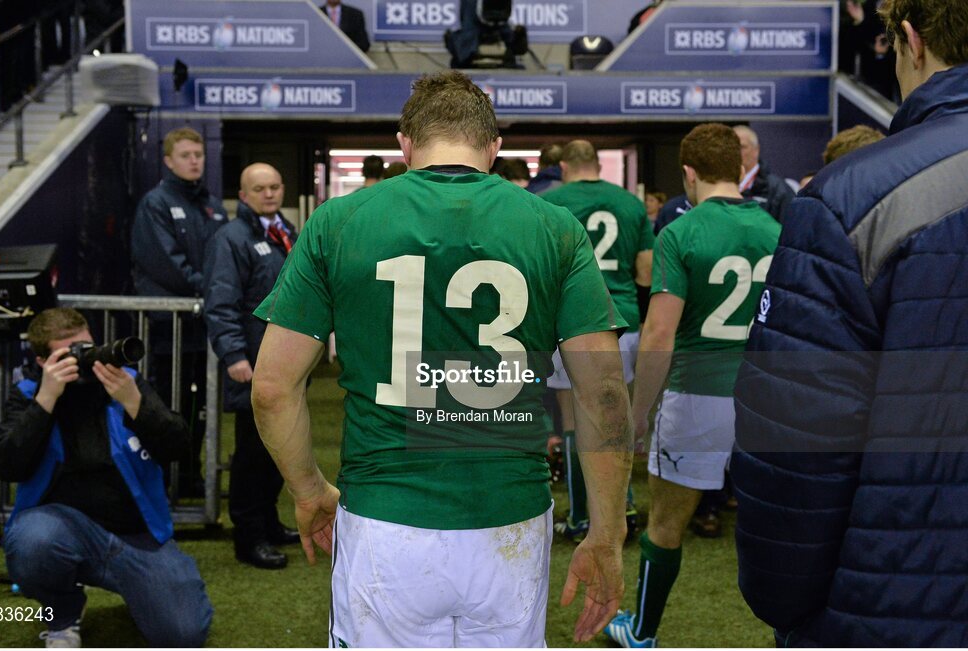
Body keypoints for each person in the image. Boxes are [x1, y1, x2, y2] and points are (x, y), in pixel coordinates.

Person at [251, 70, 633, 647]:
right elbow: (604, 394)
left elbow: (273, 389)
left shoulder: (339, 220)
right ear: (494, 148)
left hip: (387, 518)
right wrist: (607, 532)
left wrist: (307, 490)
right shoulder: (555, 227)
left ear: (405, 145)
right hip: (511, 517)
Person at [732, 0, 968, 644]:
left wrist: (783, 595)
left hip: (897, 598)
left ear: (911, 42)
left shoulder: (852, 199)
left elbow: (796, 437)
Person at [604, 123, 781, 648]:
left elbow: (658, 334)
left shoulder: (679, 231)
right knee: (777, 527)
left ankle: (643, 632)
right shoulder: (777, 227)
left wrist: (638, 413)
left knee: (665, 524)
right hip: (766, 398)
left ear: (688, 172)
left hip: (697, 394)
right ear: (738, 166)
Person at [0, 308, 212, 648]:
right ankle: (62, 617)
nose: (83, 360)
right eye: (69, 354)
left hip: (136, 535)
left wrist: (135, 402)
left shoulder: (123, 382)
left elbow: (178, 447)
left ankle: (149, 587)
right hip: (61, 531)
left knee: (183, 635)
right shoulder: (28, 393)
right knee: (31, 542)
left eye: (87, 348)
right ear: (41, 361)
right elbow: (7, 466)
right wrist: (46, 398)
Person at [542, 139, 653, 541]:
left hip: (567, 323)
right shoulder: (629, 203)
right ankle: (624, 509)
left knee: (573, 421)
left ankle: (580, 518)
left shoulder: (554, 202)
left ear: (565, 167)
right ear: (597, 166)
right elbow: (645, 272)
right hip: (619, 320)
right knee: (613, 418)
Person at [204, 163, 301, 570]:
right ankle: (249, 537)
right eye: (259, 188)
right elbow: (221, 302)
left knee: (279, 447)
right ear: (242, 195)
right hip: (254, 364)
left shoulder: (286, 233)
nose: (269, 193)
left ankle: (269, 521)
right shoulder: (231, 239)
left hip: (287, 365)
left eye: (275, 186)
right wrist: (234, 356)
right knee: (252, 453)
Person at [131, 127, 227, 497]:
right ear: (168, 160)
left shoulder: (212, 205)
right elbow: (165, 264)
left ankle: (190, 477)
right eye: (186, 155)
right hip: (168, 329)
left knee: (201, 407)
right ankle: (167, 481)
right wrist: (214, 287)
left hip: (204, 328)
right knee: (171, 406)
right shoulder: (155, 203)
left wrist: (217, 288)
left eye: (198, 155)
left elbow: (223, 258)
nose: (194, 161)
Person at [732, 125, 795, 224]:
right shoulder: (716, 185)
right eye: (731, 147)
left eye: (741, 147)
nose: (735, 151)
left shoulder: (779, 190)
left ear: (756, 150)